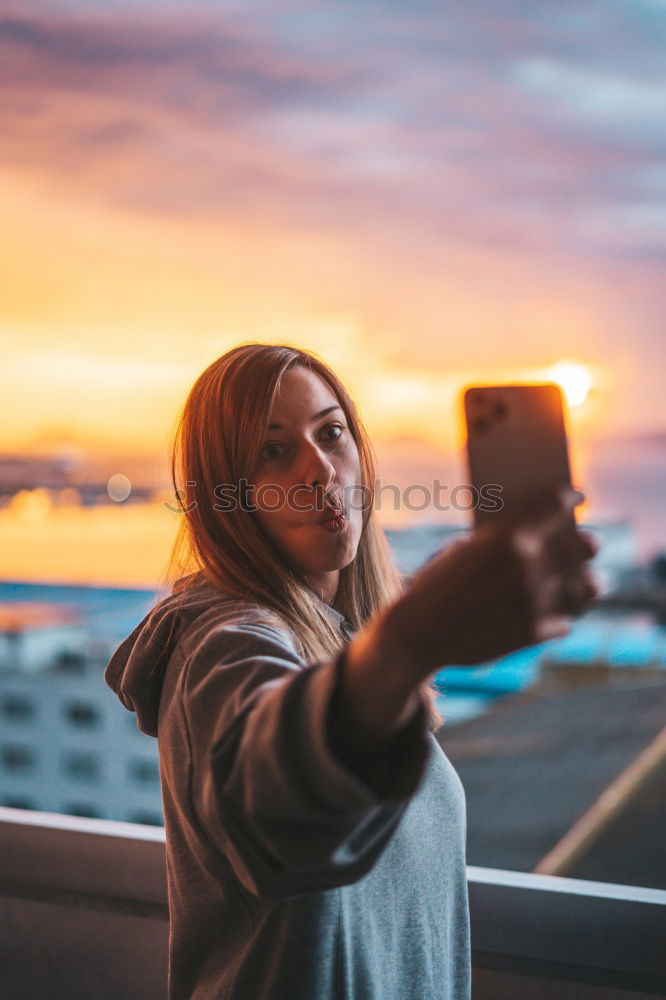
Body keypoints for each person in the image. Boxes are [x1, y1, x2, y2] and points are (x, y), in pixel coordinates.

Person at [104, 343, 598, 1000]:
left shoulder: (344, 644)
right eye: (272, 452)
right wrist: (413, 638)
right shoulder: (220, 644)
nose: (319, 470)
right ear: (226, 495)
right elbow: (271, 802)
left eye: (331, 433)